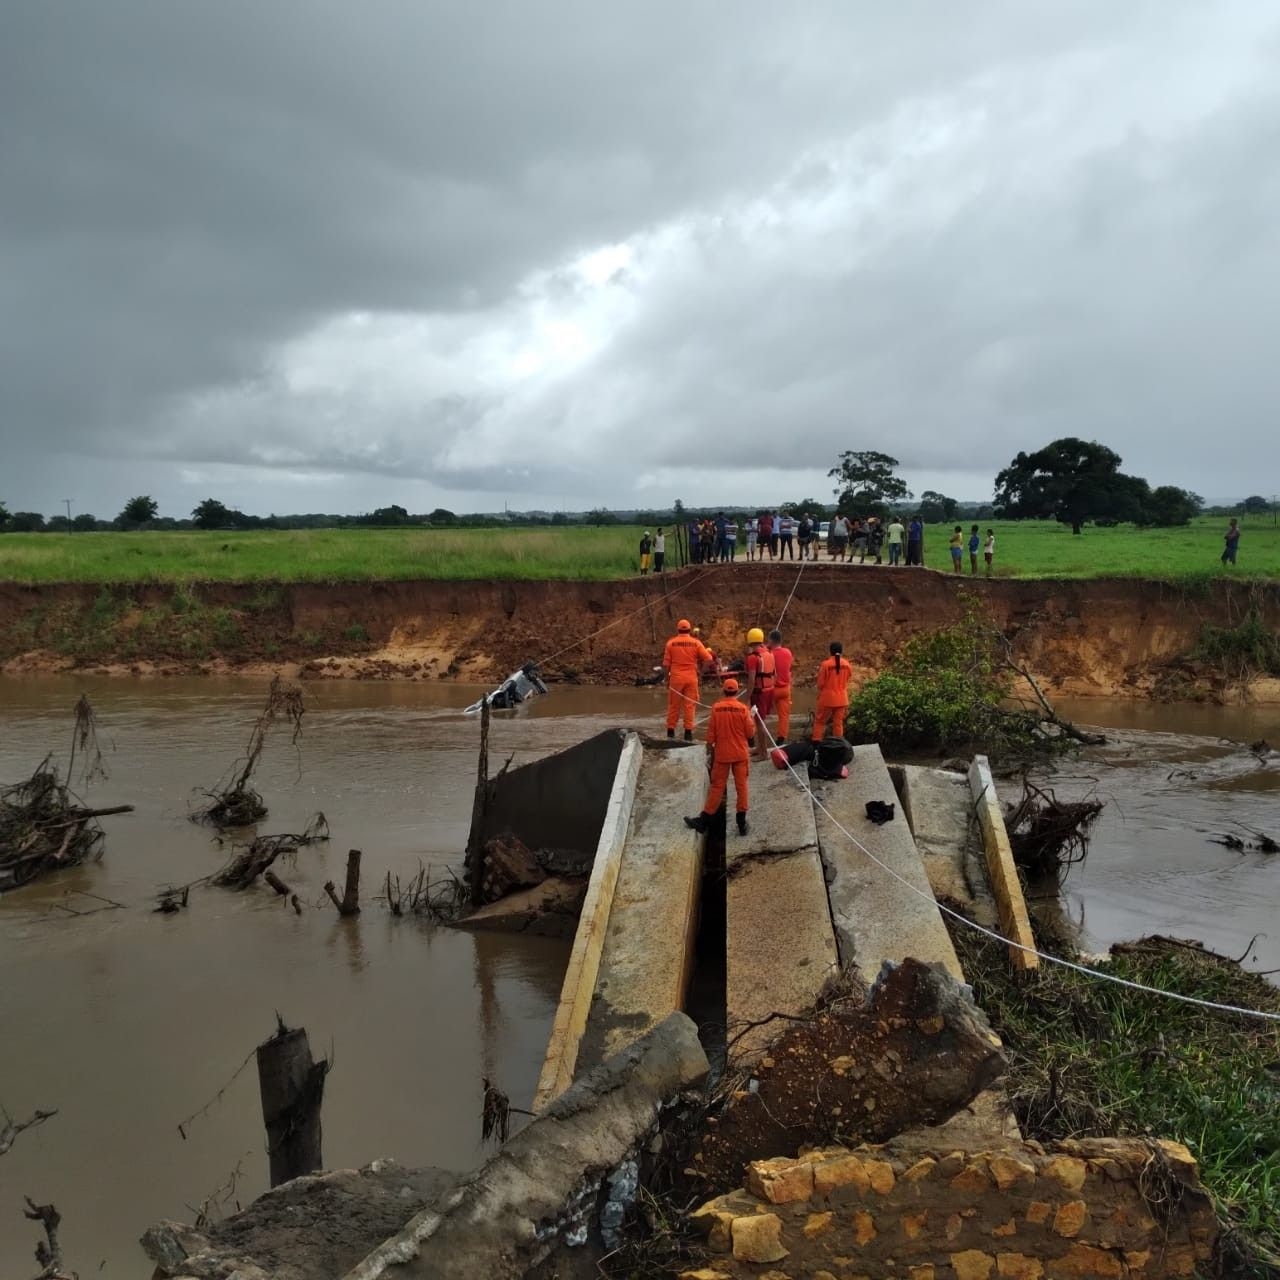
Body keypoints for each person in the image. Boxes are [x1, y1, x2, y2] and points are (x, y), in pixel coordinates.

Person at [685, 676, 755, 836]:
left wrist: (710, 753)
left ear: (723, 691)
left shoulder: (716, 708)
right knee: (741, 787)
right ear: (737, 691)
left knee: (717, 787)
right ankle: (741, 823)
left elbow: (711, 735)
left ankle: (703, 821)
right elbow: (750, 732)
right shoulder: (743, 709)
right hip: (740, 753)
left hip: (722, 754)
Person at [662, 618, 713, 741]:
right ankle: (688, 734)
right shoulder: (696, 643)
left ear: (678, 629)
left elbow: (665, 665)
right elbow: (709, 659)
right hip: (691, 678)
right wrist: (700, 674)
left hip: (676, 679)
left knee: (673, 706)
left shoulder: (671, 643)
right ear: (689, 630)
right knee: (690, 706)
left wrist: (666, 679)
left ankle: (670, 733)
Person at [743, 625, 776, 758]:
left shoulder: (752, 657)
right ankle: (759, 747)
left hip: (759, 693)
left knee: (759, 722)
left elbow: (751, 680)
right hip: (769, 690)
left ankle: (763, 753)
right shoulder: (769, 653)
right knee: (762, 721)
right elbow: (775, 674)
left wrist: (746, 698)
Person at [813, 641, 853, 742]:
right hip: (842, 699)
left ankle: (816, 744)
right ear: (841, 651)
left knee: (820, 722)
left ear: (830, 651)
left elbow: (820, 684)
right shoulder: (847, 664)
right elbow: (848, 678)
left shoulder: (826, 665)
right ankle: (838, 745)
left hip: (827, 699)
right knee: (838, 724)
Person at [767, 629, 794, 743]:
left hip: (772, 689)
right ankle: (781, 739)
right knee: (784, 716)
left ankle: (752, 737)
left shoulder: (769, 654)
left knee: (759, 713)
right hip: (785, 689)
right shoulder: (788, 652)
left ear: (771, 641)